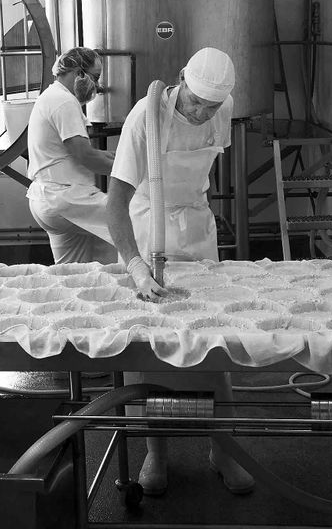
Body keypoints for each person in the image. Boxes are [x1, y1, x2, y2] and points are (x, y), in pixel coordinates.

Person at [106, 47, 254, 496]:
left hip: (196, 228)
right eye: (195, 102)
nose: (201, 113)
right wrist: (135, 266)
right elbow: (115, 201)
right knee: (155, 347)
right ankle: (157, 452)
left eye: (211, 106)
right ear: (180, 80)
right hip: (150, 227)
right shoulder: (144, 117)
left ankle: (223, 451)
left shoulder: (222, 107)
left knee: (214, 340)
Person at [27, 47, 116, 264]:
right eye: (95, 77)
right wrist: (132, 170)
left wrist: (116, 157)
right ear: (78, 72)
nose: (97, 85)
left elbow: (76, 152)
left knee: (72, 269)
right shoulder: (65, 102)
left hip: (44, 198)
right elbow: (85, 156)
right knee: (133, 219)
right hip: (66, 198)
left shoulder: (50, 96)